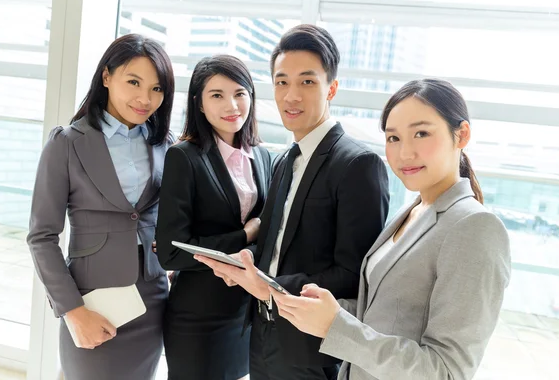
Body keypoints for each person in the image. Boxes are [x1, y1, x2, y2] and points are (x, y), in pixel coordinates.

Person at [269, 79, 512, 380]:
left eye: (421, 133)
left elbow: (447, 371)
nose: (404, 153)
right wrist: (321, 307)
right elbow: (387, 310)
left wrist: (336, 326)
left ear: (461, 135)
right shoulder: (411, 210)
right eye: (393, 138)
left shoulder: (475, 228)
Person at [196, 24, 390, 379]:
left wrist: (270, 284)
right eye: (282, 82)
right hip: (263, 338)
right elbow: (274, 246)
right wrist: (243, 266)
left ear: (331, 88)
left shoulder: (359, 164)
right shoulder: (284, 161)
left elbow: (354, 276)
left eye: (307, 82)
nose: (291, 96)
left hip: (312, 351)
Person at [27, 34, 175, 380]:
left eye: (157, 89)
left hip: (152, 299)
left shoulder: (164, 144)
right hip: (93, 301)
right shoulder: (66, 144)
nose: (145, 98)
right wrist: (73, 312)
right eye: (133, 82)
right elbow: (42, 236)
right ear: (107, 77)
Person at [156, 54, 272, 380]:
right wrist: (245, 236)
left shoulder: (263, 156)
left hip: (245, 314)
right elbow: (171, 251)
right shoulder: (184, 157)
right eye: (217, 95)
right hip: (198, 317)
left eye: (239, 93)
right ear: (200, 104)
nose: (231, 104)